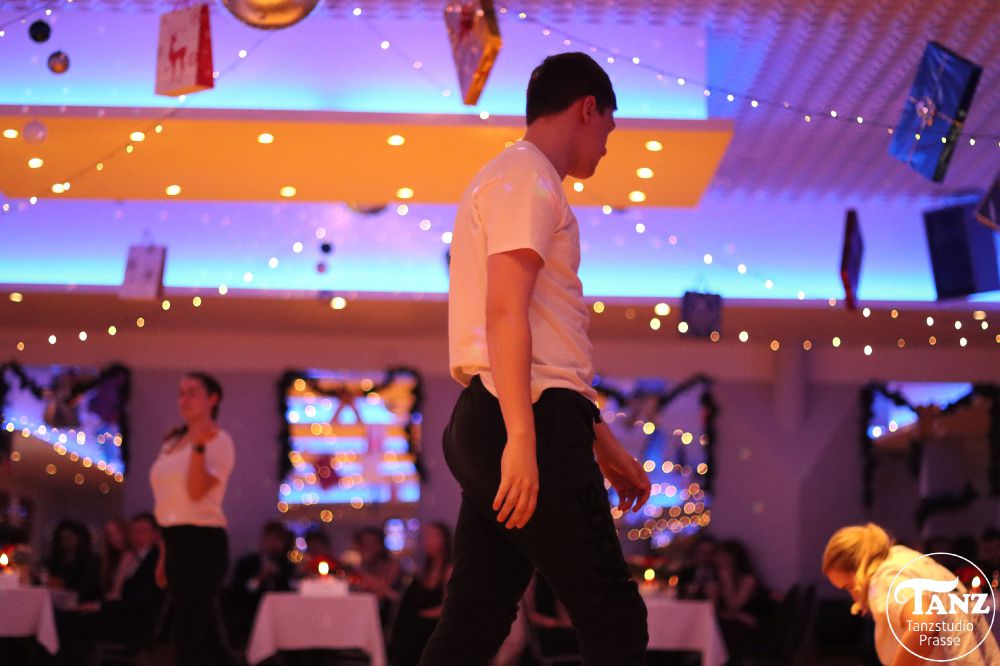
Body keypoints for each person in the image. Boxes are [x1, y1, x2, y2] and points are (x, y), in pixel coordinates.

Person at [420, 52, 651, 666]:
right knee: (613, 615)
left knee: (478, 612)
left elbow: (544, 343)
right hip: (523, 416)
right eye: (608, 127)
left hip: (503, 411)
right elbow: (506, 314)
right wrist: (523, 438)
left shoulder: (516, 177)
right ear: (587, 109)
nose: (606, 145)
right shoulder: (526, 177)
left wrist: (603, 446)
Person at [149, 372, 236, 666]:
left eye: (192, 392)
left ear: (213, 399)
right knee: (207, 641)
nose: (184, 399)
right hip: (175, 540)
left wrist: (198, 445)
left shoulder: (219, 441)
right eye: (181, 392)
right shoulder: (171, 443)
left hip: (203, 543)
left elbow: (196, 492)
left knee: (187, 637)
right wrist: (164, 554)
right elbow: (167, 503)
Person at [823, 523, 1000, 665]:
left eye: (849, 587)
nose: (854, 598)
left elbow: (925, 624)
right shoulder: (908, 560)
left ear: (860, 569)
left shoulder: (884, 577)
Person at [389, 522, 453, 666]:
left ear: (445, 540)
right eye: (427, 536)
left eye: (434, 536)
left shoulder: (448, 571)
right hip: (420, 628)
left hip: (433, 629)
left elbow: (447, 608)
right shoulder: (424, 572)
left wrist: (419, 615)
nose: (428, 541)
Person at [230, 521, 296, 641]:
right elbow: (238, 592)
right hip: (251, 616)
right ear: (263, 539)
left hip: (281, 617)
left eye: (278, 540)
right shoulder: (247, 564)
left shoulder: (286, 567)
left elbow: (290, 594)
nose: (273, 544)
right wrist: (260, 577)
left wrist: (280, 576)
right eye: (270, 538)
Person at [707, 540, 772, 660]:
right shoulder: (714, 579)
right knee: (713, 629)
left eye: (726, 557)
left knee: (726, 631)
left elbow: (734, 606)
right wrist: (737, 616)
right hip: (732, 620)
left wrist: (728, 582)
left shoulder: (748, 579)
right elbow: (713, 612)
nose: (722, 560)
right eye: (719, 556)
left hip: (752, 626)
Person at [353, 526, 402, 625]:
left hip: (386, 618)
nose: (368, 547)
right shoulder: (360, 568)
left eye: (372, 544)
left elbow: (384, 593)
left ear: (380, 546)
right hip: (363, 615)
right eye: (364, 544)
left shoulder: (391, 567)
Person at [45, 519, 102, 602]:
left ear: (78, 538)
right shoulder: (54, 561)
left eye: (70, 537)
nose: (66, 541)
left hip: (84, 603)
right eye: (62, 538)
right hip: (57, 602)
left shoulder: (91, 560)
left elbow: (88, 586)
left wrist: (68, 593)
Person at [100, 517, 134, 601]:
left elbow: (116, 593)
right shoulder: (115, 558)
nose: (114, 538)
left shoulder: (129, 555)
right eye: (110, 535)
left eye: (117, 533)